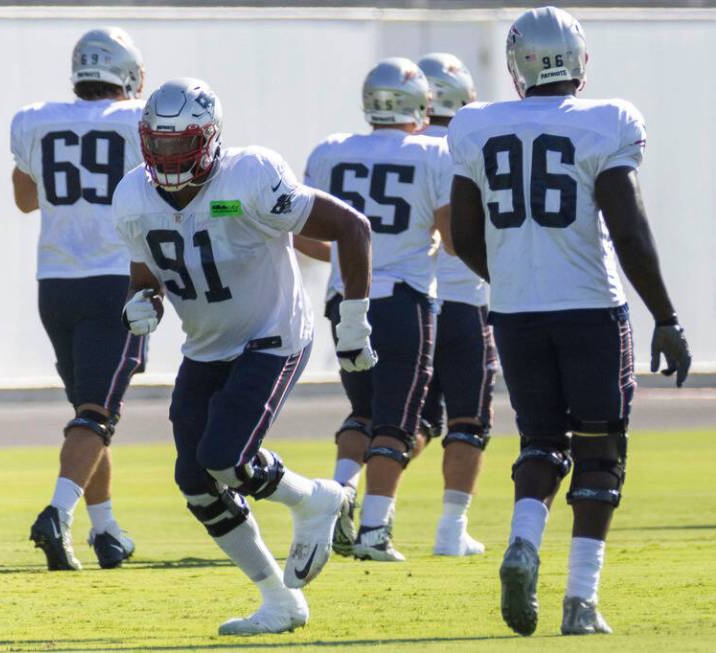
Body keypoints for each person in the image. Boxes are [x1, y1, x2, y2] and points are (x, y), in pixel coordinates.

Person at [449, 6, 692, 636]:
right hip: (589, 307)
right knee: (599, 450)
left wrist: (511, 276)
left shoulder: (476, 124)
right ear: (579, 61)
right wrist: (665, 314)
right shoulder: (607, 121)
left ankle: (524, 542)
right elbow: (628, 228)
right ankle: (581, 600)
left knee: (539, 442)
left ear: (517, 64)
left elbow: (466, 235)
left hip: (515, 311)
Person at [115, 78, 372, 635]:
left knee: (226, 458)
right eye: (157, 144)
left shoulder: (249, 176)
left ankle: (315, 502)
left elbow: (353, 227)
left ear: (209, 139)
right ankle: (278, 600)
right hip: (206, 347)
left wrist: (352, 322)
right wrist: (143, 303)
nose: (167, 156)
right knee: (194, 479)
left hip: (272, 335)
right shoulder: (133, 195)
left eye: (179, 143)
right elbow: (147, 277)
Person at [296, 58, 451, 562]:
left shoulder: (331, 151)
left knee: (364, 412)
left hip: (345, 301)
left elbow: (303, 235)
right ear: (421, 104)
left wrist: (351, 257)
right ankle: (374, 531)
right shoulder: (435, 153)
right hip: (402, 301)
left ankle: (336, 499)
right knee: (395, 422)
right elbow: (450, 238)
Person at [10, 27, 145, 571]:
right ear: (129, 75)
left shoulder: (35, 119)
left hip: (56, 283)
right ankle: (58, 514)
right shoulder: (140, 120)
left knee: (89, 412)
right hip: (116, 280)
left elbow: (24, 200)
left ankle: (107, 530)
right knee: (97, 413)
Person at [416, 52, 497, 556]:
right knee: (468, 419)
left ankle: (353, 502)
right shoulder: (468, 146)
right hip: (464, 298)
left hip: (405, 302)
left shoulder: (392, 148)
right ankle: (451, 530)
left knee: (404, 422)